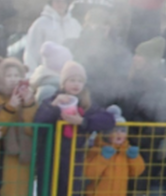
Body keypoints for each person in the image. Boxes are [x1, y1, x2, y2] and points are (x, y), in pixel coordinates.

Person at [32, 61, 116, 196]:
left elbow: (109, 120)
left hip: (74, 161)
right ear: (63, 83)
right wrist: (54, 107)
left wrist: (83, 121)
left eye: (80, 81)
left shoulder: (86, 104)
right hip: (49, 159)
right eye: (72, 80)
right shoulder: (52, 100)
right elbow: (39, 122)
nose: (76, 84)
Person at [0, 58, 36, 196]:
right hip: (0, 158)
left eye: (17, 76)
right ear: (0, 78)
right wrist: (10, 106)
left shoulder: (29, 98)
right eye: (9, 76)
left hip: (23, 159)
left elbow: (32, 129)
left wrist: (29, 104)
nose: (13, 79)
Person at [82, 106, 145, 196]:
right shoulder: (96, 149)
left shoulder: (126, 150)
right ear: (105, 133)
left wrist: (134, 158)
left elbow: (136, 172)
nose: (119, 133)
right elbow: (89, 174)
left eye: (123, 131)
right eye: (114, 130)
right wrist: (103, 158)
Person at [21, 0, 81, 70]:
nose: (61, 4)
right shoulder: (40, 23)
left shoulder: (75, 24)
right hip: (47, 73)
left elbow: (81, 50)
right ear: (51, 3)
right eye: (57, 1)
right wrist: (31, 73)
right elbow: (31, 52)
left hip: (70, 73)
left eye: (64, 1)